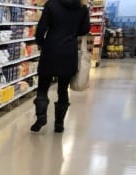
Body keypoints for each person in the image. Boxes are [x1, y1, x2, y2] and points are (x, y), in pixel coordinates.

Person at [31, 0, 91, 133]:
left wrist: (41, 42)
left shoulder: (51, 4)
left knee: (43, 87)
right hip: (69, 52)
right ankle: (59, 124)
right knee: (62, 90)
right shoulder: (82, 7)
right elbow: (85, 29)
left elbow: (41, 28)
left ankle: (41, 116)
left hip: (50, 50)